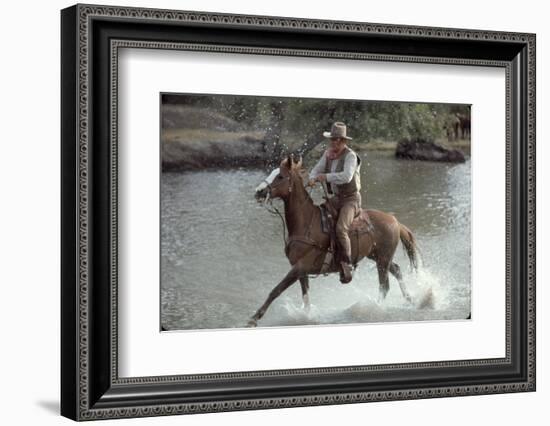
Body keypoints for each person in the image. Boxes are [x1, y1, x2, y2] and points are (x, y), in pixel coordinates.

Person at [308, 122, 362, 284]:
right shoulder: (328, 154)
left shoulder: (350, 156)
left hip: (351, 199)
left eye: (336, 140)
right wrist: (312, 178)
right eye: (332, 139)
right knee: (318, 219)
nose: (333, 142)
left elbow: (347, 177)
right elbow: (317, 169)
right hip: (337, 198)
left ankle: (347, 264)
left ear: (342, 141)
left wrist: (326, 177)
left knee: (340, 229)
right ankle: (324, 255)